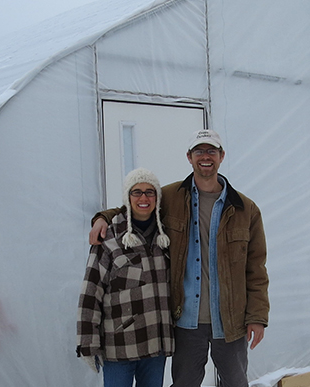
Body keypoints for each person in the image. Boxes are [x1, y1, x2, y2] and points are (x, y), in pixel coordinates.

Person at [89, 129, 269, 387]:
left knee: (235, 383)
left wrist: (257, 316)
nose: (205, 157)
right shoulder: (170, 197)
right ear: (189, 157)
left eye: (211, 151)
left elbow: (257, 268)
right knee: (184, 383)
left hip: (231, 321)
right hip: (186, 320)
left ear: (221, 156)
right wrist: (102, 218)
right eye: (199, 151)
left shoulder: (245, 208)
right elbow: (137, 206)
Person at [77, 167, 175, 387]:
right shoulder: (109, 237)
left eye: (150, 192)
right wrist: (88, 344)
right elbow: (90, 293)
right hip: (119, 346)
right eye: (136, 192)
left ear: (157, 198)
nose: (143, 198)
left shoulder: (165, 238)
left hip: (155, 346)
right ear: (127, 197)